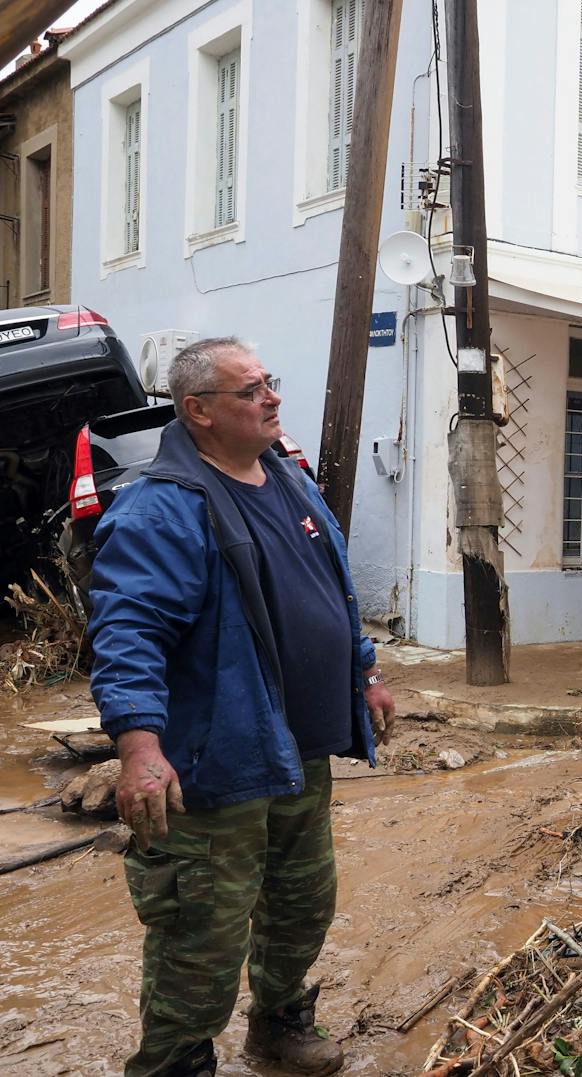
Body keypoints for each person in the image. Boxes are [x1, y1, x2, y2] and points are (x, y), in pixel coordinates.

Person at [89, 337, 395, 1077]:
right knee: (201, 930)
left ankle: (278, 1027)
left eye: (270, 381)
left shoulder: (288, 477)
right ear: (197, 410)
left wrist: (364, 673)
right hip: (214, 759)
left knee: (301, 902)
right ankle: (175, 1063)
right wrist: (139, 747)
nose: (272, 397)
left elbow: (329, 587)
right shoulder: (161, 507)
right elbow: (128, 627)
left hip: (300, 750)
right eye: (250, 388)